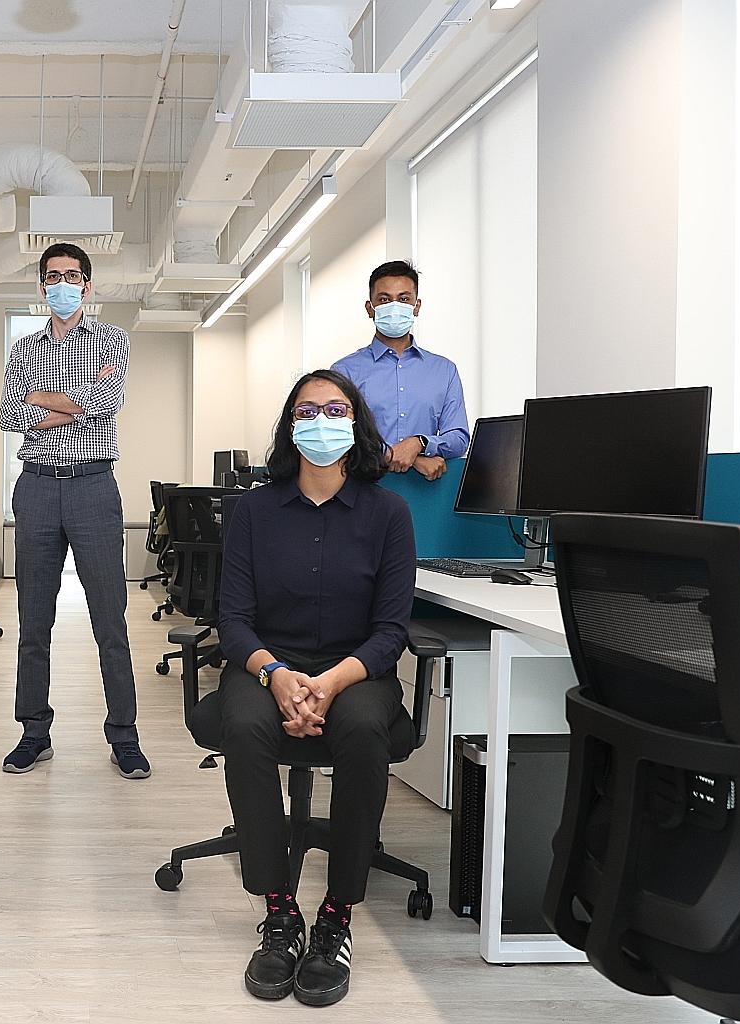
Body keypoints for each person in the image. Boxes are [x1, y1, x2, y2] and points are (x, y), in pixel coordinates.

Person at [215, 368, 415, 1007]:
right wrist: (276, 676)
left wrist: (328, 683)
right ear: (289, 427)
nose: (321, 421)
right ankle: (278, 911)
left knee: (360, 726)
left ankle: (336, 915)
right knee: (243, 726)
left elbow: (391, 631)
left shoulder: (388, 513)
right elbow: (234, 620)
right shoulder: (255, 510)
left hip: (355, 669)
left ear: (355, 423)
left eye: (335, 409)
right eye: (307, 411)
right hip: (268, 663)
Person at [0, 242, 150, 780]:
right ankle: (33, 733)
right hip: (36, 488)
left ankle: (124, 737)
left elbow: (108, 402)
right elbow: (7, 414)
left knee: (110, 620)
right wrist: (73, 400)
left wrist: (44, 399)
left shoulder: (113, 340)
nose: (63, 284)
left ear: (88, 285)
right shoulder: (22, 348)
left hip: (93, 488)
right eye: (52, 276)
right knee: (32, 623)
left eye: (73, 276)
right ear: (42, 286)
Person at [330, 260, 469, 481]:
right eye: (384, 300)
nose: (394, 306)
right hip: (364, 489)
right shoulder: (344, 371)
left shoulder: (444, 370)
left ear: (417, 306)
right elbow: (339, 438)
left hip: (427, 493)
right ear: (370, 308)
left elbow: (459, 438)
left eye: (404, 299)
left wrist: (420, 443)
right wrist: (403, 456)